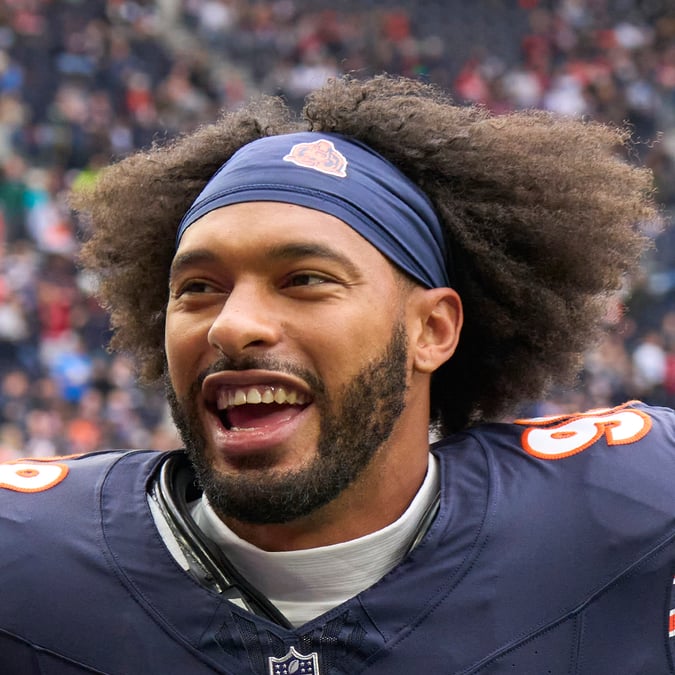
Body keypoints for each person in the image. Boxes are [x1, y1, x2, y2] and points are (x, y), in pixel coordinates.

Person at [0, 74, 671, 674]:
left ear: (432, 329)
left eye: (305, 279)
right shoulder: (26, 560)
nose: (231, 325)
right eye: (198, 287)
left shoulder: (628, 514)